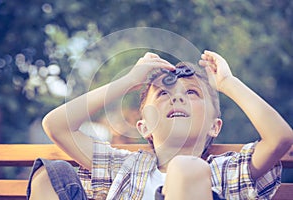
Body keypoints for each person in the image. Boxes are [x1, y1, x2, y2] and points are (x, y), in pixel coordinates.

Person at [27, 50, 293, 200]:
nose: (177, 96)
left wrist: (226, 83)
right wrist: (129, 80)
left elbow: (280, 138)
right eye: (163, 94)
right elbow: (56, 125)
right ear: (144, 127)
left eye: (192, 93)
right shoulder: (124, 167)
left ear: (215, 126)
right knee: (53, 174)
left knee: (186, 169)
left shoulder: (228, 170)